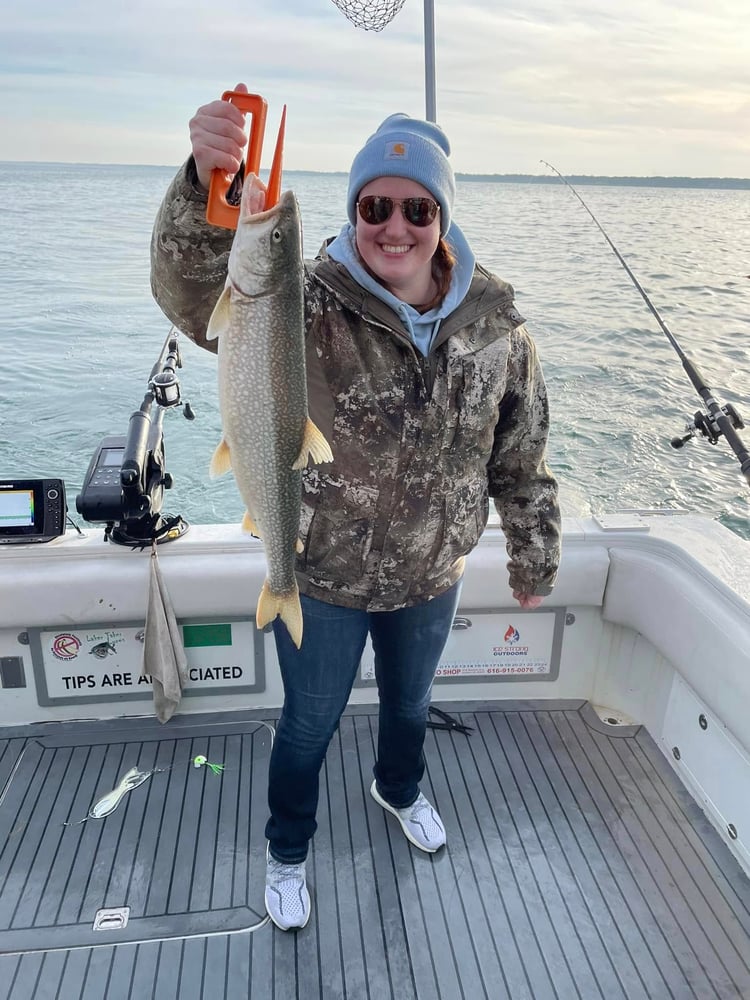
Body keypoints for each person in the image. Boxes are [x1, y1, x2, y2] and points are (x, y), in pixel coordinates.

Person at [150, 83, 561, 932]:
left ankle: (399, 789)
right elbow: (192, 291)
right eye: (375, 204)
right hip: (319, 575)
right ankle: (287, 850)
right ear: (354, 210)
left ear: (442, 219)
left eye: (417, 207)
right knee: (307, 726)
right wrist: (204, 179)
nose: (395, 226)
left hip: (430, 575)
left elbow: (522, 459)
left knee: (410, 711)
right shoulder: (301, 298)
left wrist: (534, 552)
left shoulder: (499, 329)